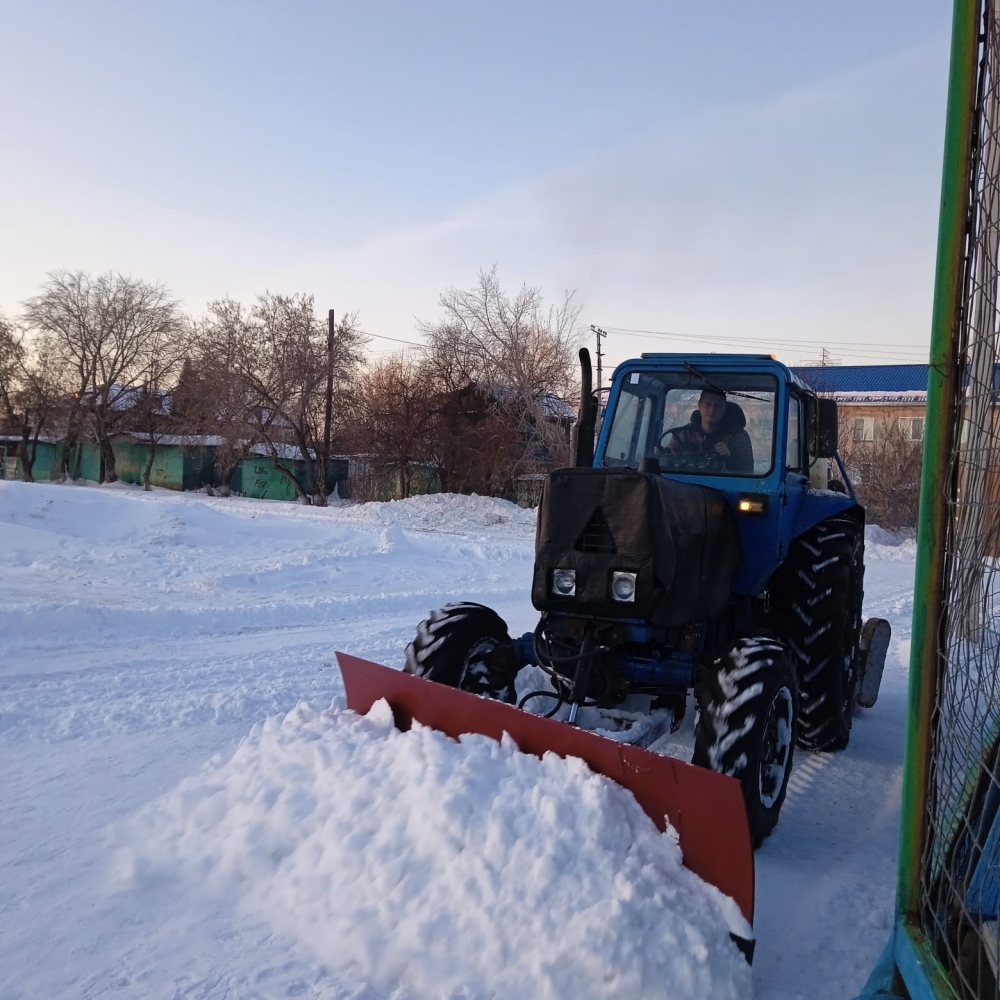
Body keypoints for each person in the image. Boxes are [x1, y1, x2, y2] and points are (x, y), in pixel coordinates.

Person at [656, 388, 754, 473]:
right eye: (708, 404)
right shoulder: (682, 435)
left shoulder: (737, 436)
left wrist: (729, 455)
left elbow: (748, 471)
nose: (712, 409)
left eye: (718, 405)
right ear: (699, 405)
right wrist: (660, 455)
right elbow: (668, 464)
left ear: (724, 408)